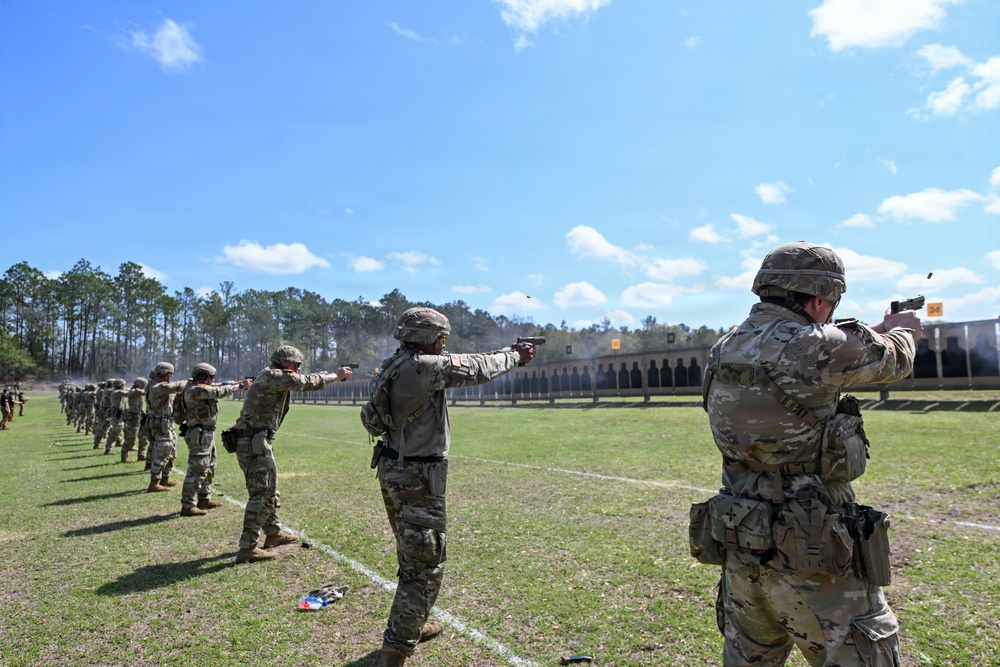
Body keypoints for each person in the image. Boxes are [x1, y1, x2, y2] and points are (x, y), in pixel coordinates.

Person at [694, 242, 922, 666]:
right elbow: (895, 358)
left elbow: (812, 350)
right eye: (831, 304)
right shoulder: (820, 348)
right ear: (819, 300)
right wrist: (904, 327)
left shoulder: (724, 348)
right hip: (815, 548)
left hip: (742, 537)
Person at [369, 307, 534, 667]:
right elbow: (476, 368)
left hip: (394, 469)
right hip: (417, 478)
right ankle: (394, 653)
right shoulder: (425, 367)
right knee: (425, 565)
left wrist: (505, 352)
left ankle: (413, 624)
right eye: (441, 340)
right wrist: (514, 356)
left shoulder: (393, 365)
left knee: (411, 555)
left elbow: (470, 360)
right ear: (431, 339)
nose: (444, 346)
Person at [226, 345, 354, 563]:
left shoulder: (273, 376)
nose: (298, 368)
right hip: (253, 442)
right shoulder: (275, 376)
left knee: (269, 489)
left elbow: (304, 378)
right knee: (262, 493)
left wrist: (328, 374)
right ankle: (248, 547)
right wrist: (337, 375)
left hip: (257, 440)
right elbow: (305, 382)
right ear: (287, 364)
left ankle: (273, 532)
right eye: (296, 364)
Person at [180, 363, 252, 516]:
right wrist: (240, 385)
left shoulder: (201, 386)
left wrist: (239, 382)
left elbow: (220, 385)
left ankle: (204, 498)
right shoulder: (194, 390)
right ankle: (187, 504)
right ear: (201, 376)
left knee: (209, 467)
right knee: (197, 468)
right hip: (198, 434)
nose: (212, 380)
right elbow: (219, 390)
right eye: (209, 377)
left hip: (206, 434)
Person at [145, 362, 187, 492]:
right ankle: (154, 483)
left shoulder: (158, 384)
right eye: (169, 375)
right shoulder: (157, 386)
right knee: (162, 453)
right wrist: (189, 382)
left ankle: (165, 478)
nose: (171, 377)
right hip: (160, 425)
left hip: (166, 424)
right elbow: (176, 386)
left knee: (171, 451)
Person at [121, 377, 149, 464]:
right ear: (140, 385)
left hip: (139, 415)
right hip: (133, 417)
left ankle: (141, 454)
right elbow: (142, 392)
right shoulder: (133, 391)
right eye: (144, 385)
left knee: (143, 437)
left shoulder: (137, 391)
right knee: (131, 438)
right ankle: (124, 456)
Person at [103, 379, 128, 455]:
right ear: (120, 386)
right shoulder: (117, 392)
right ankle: (108, 449)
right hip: (116, 414)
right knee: (115, 431)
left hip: (119, 413)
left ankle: (118, 442)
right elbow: (127, 393)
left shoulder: (117, 392)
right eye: (124, 385)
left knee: (119, 429)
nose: (124, 386)